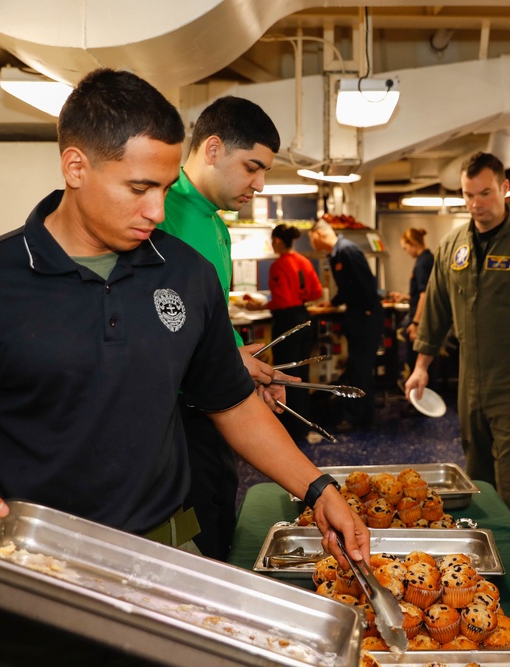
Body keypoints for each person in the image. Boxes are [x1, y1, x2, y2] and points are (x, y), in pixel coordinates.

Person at [0, 68, 368, 666]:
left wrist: (316, 486)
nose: (156, 209)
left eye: (167, 188)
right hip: (27, 592)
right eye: (139, 187)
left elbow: (231, 401)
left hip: (167, 580)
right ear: (75, 167)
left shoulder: (184, 273)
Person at [157, 95, 290, 560]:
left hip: (217, 405)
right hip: (173, 418)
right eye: (252, 167)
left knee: (221, 519)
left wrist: (244, 364)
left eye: (265, 172)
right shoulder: (161, 211)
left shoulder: (219, 224)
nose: (258, 183)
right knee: (193, 542)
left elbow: (214, 317)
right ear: (212, 149)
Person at [406, 152, 510, 529]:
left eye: (486, 193)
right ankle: (481, 547)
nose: (477, 204)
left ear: (505, 189)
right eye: (469, 195)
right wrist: (420, 368)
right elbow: (437, 310)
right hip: (469, 380)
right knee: (475, 476)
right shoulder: (452, 246)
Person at [246, 223, 323, 439]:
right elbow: (316, 291)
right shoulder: (304, 261)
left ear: (278, 241)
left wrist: (259, 306)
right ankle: (303, 426)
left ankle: (291, 430)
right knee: (302, 376)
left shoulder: (279, 265)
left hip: (287, 323)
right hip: (305, 319)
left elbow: (282, 300)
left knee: (286, 377)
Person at [308, 219, 383, 432]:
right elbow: (347, 286)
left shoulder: (348, 250)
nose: (312, 244)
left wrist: (367, 310)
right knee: (358, 368)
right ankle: (362, 417)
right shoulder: (336, 254)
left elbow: (367, 283)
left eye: (311, 239)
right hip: (357, 314)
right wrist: (332, 302)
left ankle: (355, 418)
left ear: (319, 235)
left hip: (365, 316)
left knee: (360, 368)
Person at [387, 227, 434, 387]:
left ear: (413, 243)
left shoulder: (422, 263)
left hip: (420, 321)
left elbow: (425, 295)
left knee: (415, 363)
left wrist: (415, 324)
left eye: (405, 248)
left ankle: (416, 400)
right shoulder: (428, 258)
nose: (406, 252)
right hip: (424, 318)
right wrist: (406, 296)